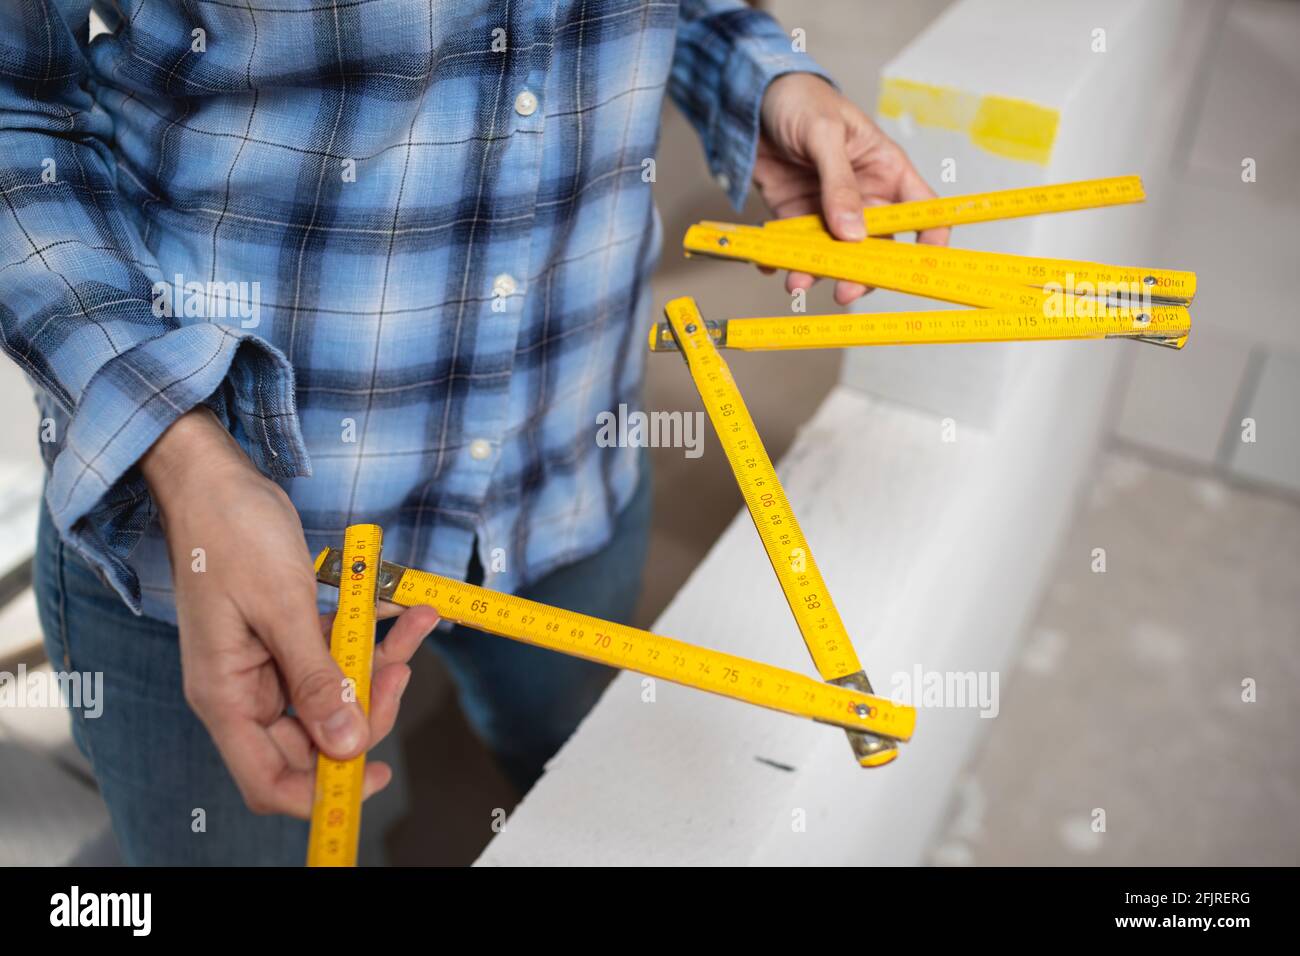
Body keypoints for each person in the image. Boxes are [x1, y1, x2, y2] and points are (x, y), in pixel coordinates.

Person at [1, 0, 947, 865]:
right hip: (231, 552)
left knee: (604, 816)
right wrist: (178, 446)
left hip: (565, 477)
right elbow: (15, 111)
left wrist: (765, 78)